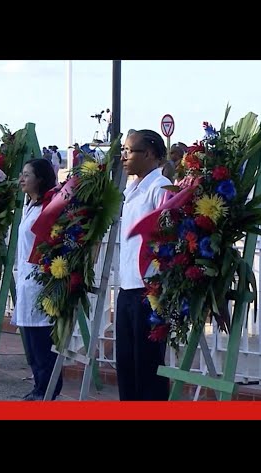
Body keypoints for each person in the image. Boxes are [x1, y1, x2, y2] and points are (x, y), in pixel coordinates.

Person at [116, 129, 172, 401]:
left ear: (148, 154)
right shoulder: (133, 189)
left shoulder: (159, 188)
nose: (124, 156)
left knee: (148, 367)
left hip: (148, 289)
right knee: (126, 364)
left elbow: (164, 237)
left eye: (129, 151)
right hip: (128, 286)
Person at [12, 158, 61, 401]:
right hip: (25, 280)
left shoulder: (49, 206)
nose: (21, 179)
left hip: (40, 281)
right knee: (30, 343)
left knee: (42, 342)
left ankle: (48, 389)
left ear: (40, 179)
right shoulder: (29, 205)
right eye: (21, 174)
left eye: (26, 175)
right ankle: (39, 387)